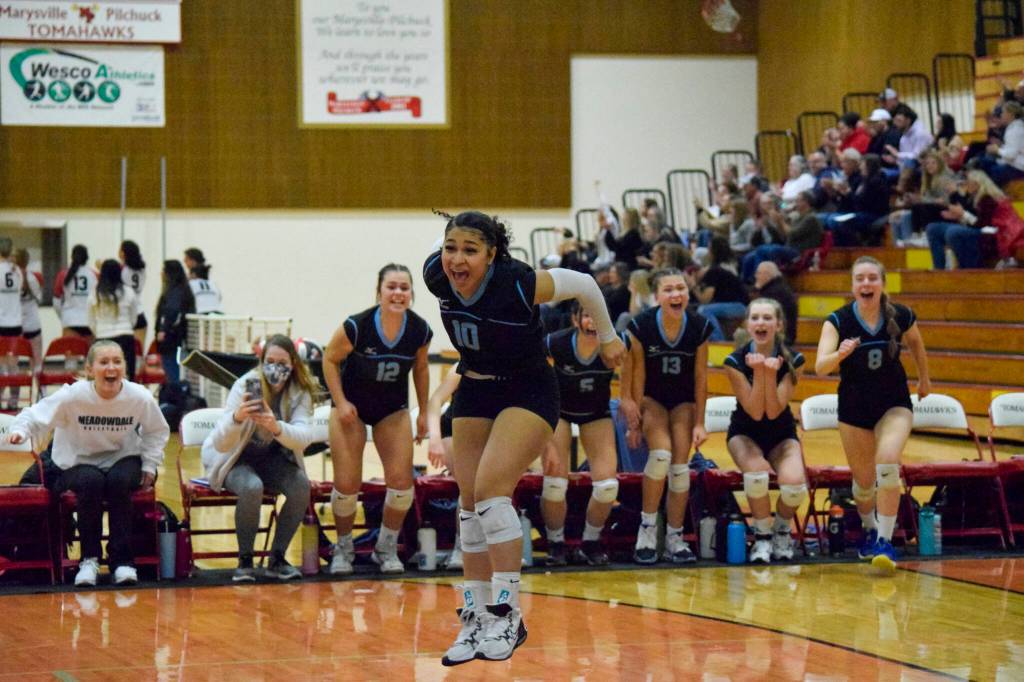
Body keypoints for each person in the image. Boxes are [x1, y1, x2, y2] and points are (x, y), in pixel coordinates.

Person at [424, 210, 625, 664]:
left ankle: (507, 617)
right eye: (451, 247)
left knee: (493, 494)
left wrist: (609, 335)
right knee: (470, 503)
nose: (457, 259)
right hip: (475, 385)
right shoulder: (435, 273)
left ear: (492, 255)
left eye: (470, 250)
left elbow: (586, 285)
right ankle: (474, 622)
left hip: (528, 387)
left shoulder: (518, 281)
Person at [8, 340, 169, 586]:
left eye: (117, 361)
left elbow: (157, 431)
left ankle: (122, 561)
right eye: (104, 362)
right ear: (90, 369)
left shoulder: (139, 397)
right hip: (77, 463)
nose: (111, 367)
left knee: (120, 481)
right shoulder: (73, 396)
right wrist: (20, 431)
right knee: (91, 481)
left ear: (125, 367)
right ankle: (89, 559)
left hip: (122, 459)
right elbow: (34, 415)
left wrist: (149, 464)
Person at [815, 257, 931, 572]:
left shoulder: (901, 315)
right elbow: (819, 366)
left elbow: (917, 345)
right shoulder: (837, 321)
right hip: (854, 410)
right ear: (853, 286)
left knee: (888, 461)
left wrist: (924, 378)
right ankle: (868, 528)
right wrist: (839, 355)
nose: (866, 284)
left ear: (882, 284)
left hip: (894, 403)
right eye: (860, 279)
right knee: (864, 484)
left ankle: (884, 540)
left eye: (872, 278)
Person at [322, 264, 432, 576]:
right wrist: (340, 402)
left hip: (392, 409)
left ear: (411, 293)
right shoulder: (356, 326)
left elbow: (421, 370)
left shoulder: (419, 330)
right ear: (379, 292)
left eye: (404, 288)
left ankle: (385, 546)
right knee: (346, 484)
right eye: (392, 287)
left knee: (401, 484)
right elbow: (329, 360)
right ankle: (343, 547)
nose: (398, 293)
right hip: (351, 408)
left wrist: (423, 412)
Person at [201, 335, 317, 581]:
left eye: (282, 362)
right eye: (270, 361)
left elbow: (304, 437)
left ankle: (277, 558)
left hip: (271, 458)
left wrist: (277, 428)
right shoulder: (245, 385)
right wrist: (237, 418)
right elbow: (221, 443)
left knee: (301, 485)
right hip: (234, 459)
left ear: (293, 363)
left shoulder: (300, 392)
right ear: (261, 362)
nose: (276, 367)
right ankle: (245, 560)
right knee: (252, 487)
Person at [625, 268, 710, 565]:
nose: (676, 294)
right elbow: (636, 375)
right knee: (660, 456)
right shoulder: (641, 326)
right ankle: (647, 529)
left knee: (680, 467)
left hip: (684, 403)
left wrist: (700, 421)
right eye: (669, 289)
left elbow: (701, 378)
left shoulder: (699, 326)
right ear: (657, 296)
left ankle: (675, 537)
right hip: (653, 400)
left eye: (681, 288)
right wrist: (633, 420)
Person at [541, 302, 633, 567]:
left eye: (598, 316)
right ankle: (555, 543)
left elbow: (632, 361)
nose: (593, 322)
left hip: (596, 413)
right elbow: (537, 380)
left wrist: (626, 397)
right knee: (555, 482)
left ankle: (590, 543)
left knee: (607, 487)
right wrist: (543, 438)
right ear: (575, 320)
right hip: (557, 412)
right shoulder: (555, 343)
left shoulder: (618, 343)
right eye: (587, 316)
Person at [724, 298, 807, 563]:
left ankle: (781, 530)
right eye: (756, 318)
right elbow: (755, 412)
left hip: (782, 435)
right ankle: (761, 537)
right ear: (747, 325)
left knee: (795, 486)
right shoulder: (734, 361)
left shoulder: (794, 359)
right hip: (744, 433)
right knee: (757, 474)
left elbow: (773, 412)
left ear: (779, 325)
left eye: (767, 318)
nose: (761, 323)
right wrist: (760, 372)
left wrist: (768, 374)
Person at [926, 169, 1024, 269]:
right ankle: (938, 268)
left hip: (993, 234)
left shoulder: (988, 199)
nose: (966, 184)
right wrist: (959, 217)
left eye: (968, 182)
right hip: (979, 229)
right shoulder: (972, 197)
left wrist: (963, 214)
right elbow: (971, 220)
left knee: (954, 232)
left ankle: (968, 269)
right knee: (933, 228)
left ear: (977, 184)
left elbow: (984, 225)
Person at [741, 190, 823, 282]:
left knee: (763, 250)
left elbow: (792, 234)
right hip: (789, 248)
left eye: (798, 200)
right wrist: (765, 226)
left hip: (800, 252)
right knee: (749, 257)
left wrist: (780, 221)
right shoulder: (799, 217)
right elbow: (785, 236)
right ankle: (747, 283)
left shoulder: (811, 218)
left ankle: (763, 281)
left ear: (806, 202)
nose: (795, 202)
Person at [427, 369, 463, 570]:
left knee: (499, 490)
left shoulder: (511, 367)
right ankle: (462, 546)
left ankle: (497, 547)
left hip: (488, 430)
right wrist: (434, 439)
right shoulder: (462, 366)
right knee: (470, 486)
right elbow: (435, 401)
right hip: (453, 428)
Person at [91, 259, 139, 380]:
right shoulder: (129, 292)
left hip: (103, 337)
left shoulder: (95, 294)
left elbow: (91, 321)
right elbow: (134, 318)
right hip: (125, 337)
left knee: (104, 377)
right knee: (127, 377)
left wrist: (99, 332)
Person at [695, 237, 748, 341]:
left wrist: (693, 285)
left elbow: (705, 300)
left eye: (709, 249)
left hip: (738, 306)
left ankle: (718, 341)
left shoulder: (714, 271)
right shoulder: (729, 266)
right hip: (737, 304)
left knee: (703, 310)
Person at [154, 260, 196, 384]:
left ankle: (174, 394)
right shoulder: (184, 289)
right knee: (175, 367)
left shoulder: (174, 291)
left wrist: (163, 330)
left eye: (163, 270)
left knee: (171, 368)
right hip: (178, 335)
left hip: (171, 337)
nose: (161, 273)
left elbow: (172, 310)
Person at [13, 248, 43, 407]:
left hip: (16, 326)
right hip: (33, 325)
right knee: (37, 363)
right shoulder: (33, 278)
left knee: (13, 365)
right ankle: (42, 397)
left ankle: (13, 400)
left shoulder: (10, 277)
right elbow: (39, 298)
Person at [0, 237, 24, 410]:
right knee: (13, 364)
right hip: (15, 323)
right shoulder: (17, 272)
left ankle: (1, 397)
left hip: (1, 323)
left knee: (1, 365)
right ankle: (14, 400)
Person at [54, 244, 97, 341]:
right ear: (87, 258)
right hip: (89, 322)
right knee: (90, 355)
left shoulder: (63, 274)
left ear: (71, 257)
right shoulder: (94, 275)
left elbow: (56, 302)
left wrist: (64, 315)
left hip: (70, 321)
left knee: (72, 354)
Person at [978, 100, 1024, 186]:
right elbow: (1013, 149)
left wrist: (997, 150)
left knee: (987, 168)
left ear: (1011, 114)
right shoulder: (1014, 128)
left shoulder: (1015, 130)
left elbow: (1011, 155)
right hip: (1014, 165)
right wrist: (1001, 146)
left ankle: (995, 195)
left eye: (1003, 112)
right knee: (983, 161)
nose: (1001, 115)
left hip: (1018, 168)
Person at [753, 262, 798, 346]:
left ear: (767, 275)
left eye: (758, 273)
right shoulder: (778, 288)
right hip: (784, 336)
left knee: (741, 335)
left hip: (781, 339)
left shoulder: (773, 293)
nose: (756, 276)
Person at [119, 240, 148, 349]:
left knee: (123, 354)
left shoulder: (121, 269)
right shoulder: (142, 270)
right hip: (139, 312)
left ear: (123, 253)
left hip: (125, 313)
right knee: (138, 352)